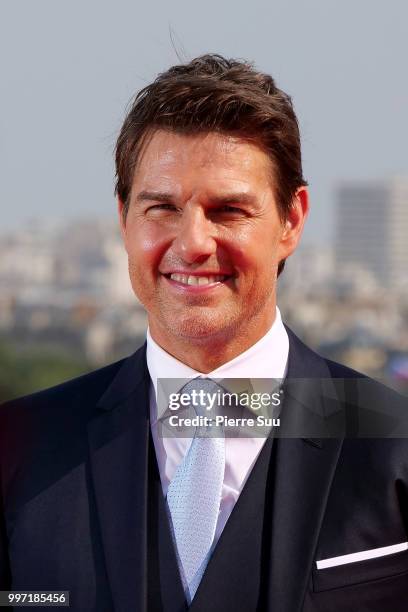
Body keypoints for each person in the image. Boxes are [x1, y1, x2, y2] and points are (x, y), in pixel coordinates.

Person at [1, 54, 407, 612]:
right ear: (124, 219)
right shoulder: (18, 447)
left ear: (291, 221)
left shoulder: (395, 447)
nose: (192, 242)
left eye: (229, 210)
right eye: (162, 207)